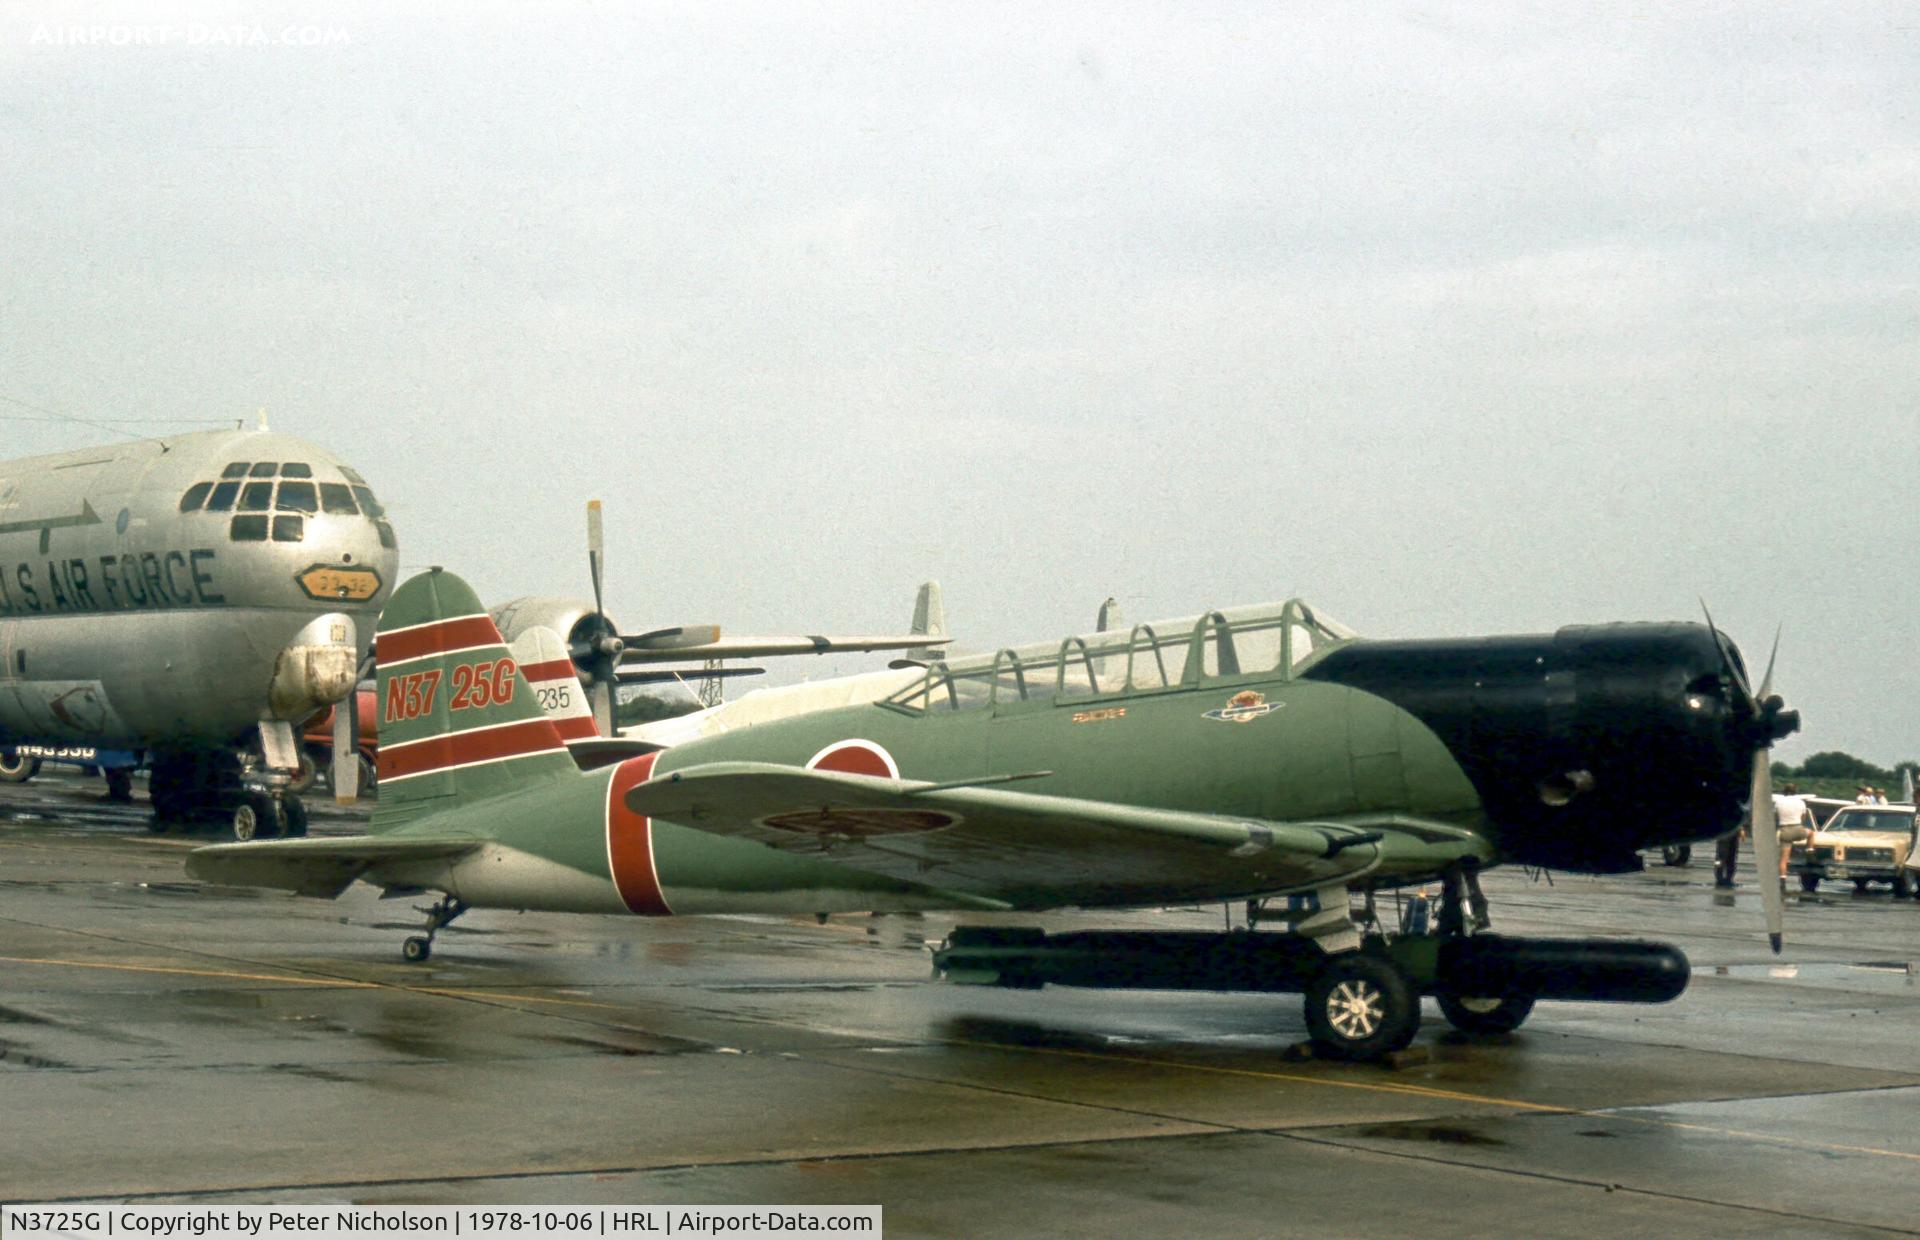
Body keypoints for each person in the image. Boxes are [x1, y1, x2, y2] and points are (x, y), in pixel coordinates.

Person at [1773, 782, 1811, 877]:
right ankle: (1809, 849)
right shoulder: (1801, 802)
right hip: (1797, 828)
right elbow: (1803, 817)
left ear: (1784, 791)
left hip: (1784, 830)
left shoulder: (1779, 802)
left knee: (1783, 860)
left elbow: (1776, 816)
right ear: (1795, 791)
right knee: (1811, 834)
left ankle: (1782, 879)